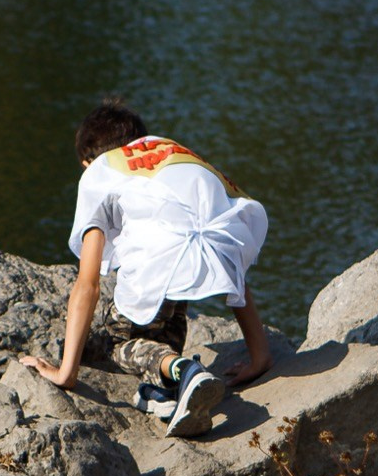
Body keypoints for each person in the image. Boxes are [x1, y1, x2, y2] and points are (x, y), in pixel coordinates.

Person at [19, 98, 275, 437]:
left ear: (86, 161)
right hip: (218, 251)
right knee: (162, 314)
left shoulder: (101, 171)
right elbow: (231, 263)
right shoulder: (173, 151)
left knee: (113, 342)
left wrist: (65, 373)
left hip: (159, 259)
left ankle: (183, 370)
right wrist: (260, 357)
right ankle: (164, 390)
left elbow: (89, 283)